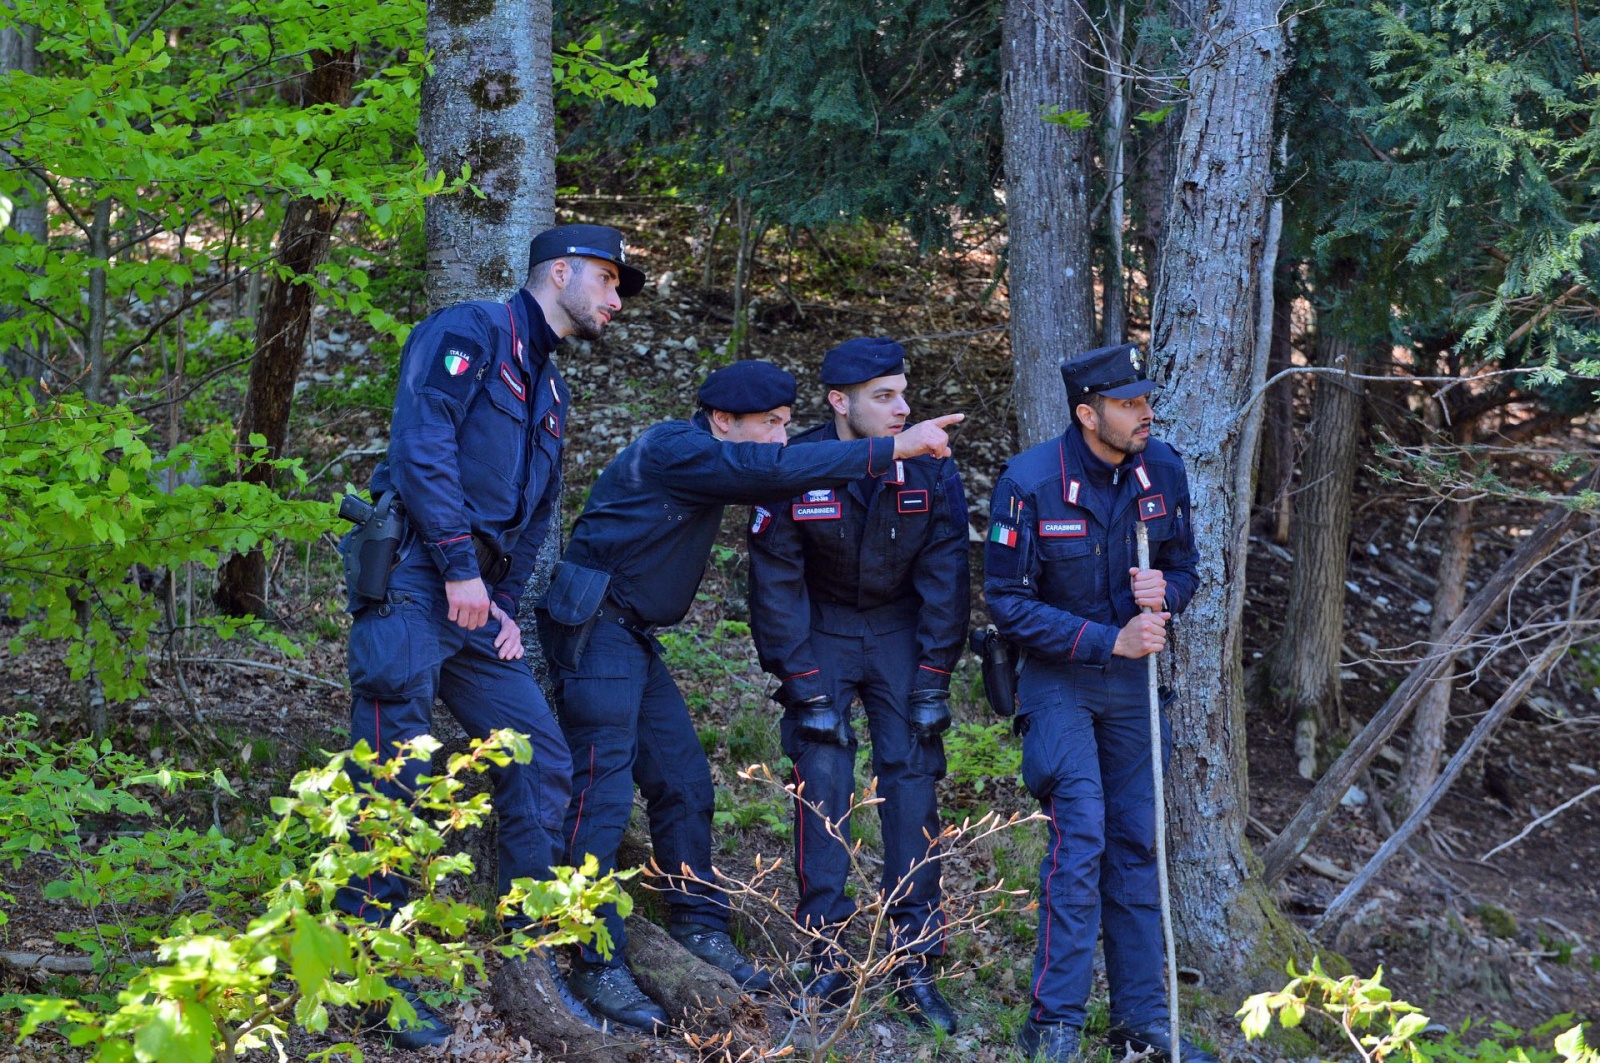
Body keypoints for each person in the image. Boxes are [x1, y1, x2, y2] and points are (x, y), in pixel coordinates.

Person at [540, 359, 963, 1034]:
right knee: (602, 795)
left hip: (632, 637)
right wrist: (891, 449)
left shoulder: (711, 452)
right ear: (721, 422)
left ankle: (700, 925)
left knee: (684, 783)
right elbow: (767, 476)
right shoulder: (676, 449)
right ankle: (594, 956)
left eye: (786, 423)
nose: (779, 437)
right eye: (768, 424)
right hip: (599, 633)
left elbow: (772, 472)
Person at [337, 224, 645, 1047]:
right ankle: (372, 979)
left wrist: (500, 598)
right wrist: (454, 564)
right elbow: (421, 444)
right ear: (562, 271)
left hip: (474, 602)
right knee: (392, 774)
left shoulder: (551, 390)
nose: (615, 301)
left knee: (539, 758)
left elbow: (535, 513)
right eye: (609, 281)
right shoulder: (468, 331)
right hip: (412, 577)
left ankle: (529, 958)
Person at [983, 344, 1217, 1063]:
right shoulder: (1028, 482)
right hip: (1059, 678)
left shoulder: (1162, 468)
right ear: (1088, 413)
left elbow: (1185, 566)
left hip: (1134, 685)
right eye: (1128, 404)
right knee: (1081, 836)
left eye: (1146, 400)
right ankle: (1053, 1020)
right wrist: (1106, 637)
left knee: (1136, 844)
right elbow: (1007, 603)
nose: (1146, 413)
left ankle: (1142, 1024)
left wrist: (1167, 594)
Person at [746, 337, 969, 1033]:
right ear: (839, 403)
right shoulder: (795, 463)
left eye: (904, 392)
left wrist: (934, 676)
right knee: (823, 774)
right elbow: (774, 579)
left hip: (902, 630)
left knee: (911, 777)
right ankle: (829, 954)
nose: (903, 408)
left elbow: (947, 581)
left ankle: (914, 957)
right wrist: (804, 681)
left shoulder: (932, 469)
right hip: (824, 629)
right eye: (884, 396)